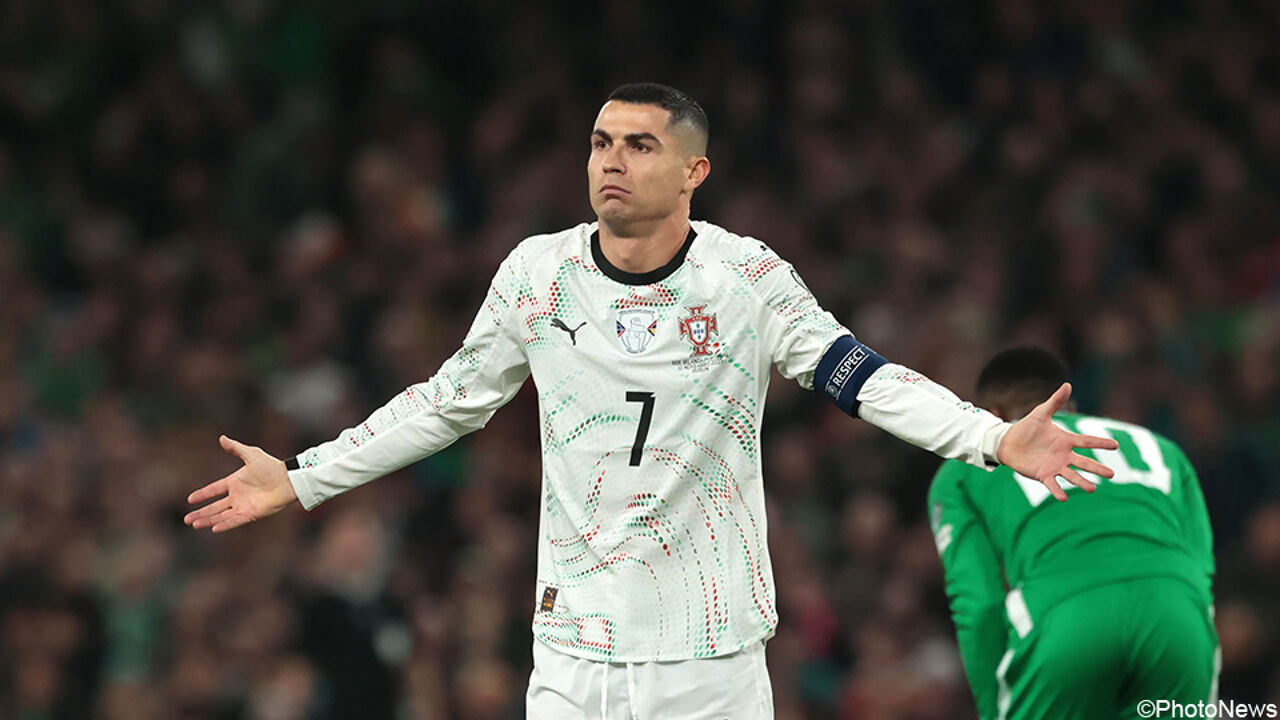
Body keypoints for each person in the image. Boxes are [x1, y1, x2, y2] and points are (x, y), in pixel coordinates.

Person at [186, 83, 1118, 719]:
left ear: (694, 173)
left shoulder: (746, 279)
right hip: (572, 655)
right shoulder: (538, 276)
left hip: (708, 660)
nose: (612, 163)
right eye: (601, 144)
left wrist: (991, 439)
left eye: (639, 146)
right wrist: (304, 478)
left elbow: (862, 377)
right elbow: (448, 402)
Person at [928, 347, 1218, 720]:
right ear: (1072, 405)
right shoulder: (1162, 448)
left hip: (1066, 625)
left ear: (992, 417)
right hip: (1177, 620)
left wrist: (993, 709)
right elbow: (1203, 567)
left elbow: (979, 603)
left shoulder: (966, 470)